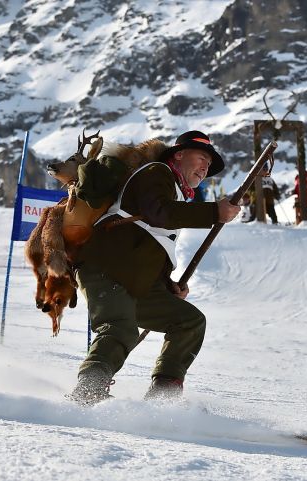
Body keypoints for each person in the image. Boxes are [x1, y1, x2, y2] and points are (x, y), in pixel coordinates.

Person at [68, 130, 241, 406]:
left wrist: (167, 286)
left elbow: (148, 242)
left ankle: (163, 398)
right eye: (201, 158)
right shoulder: (157, 172)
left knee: (189, 322)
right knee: (119, 328)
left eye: (209, 164)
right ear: (179, 154)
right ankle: (87, 393)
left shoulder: (176, 190)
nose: (205, 168)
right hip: (106, 266)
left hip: (135, 277)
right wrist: (213, 212)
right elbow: (158, 213)